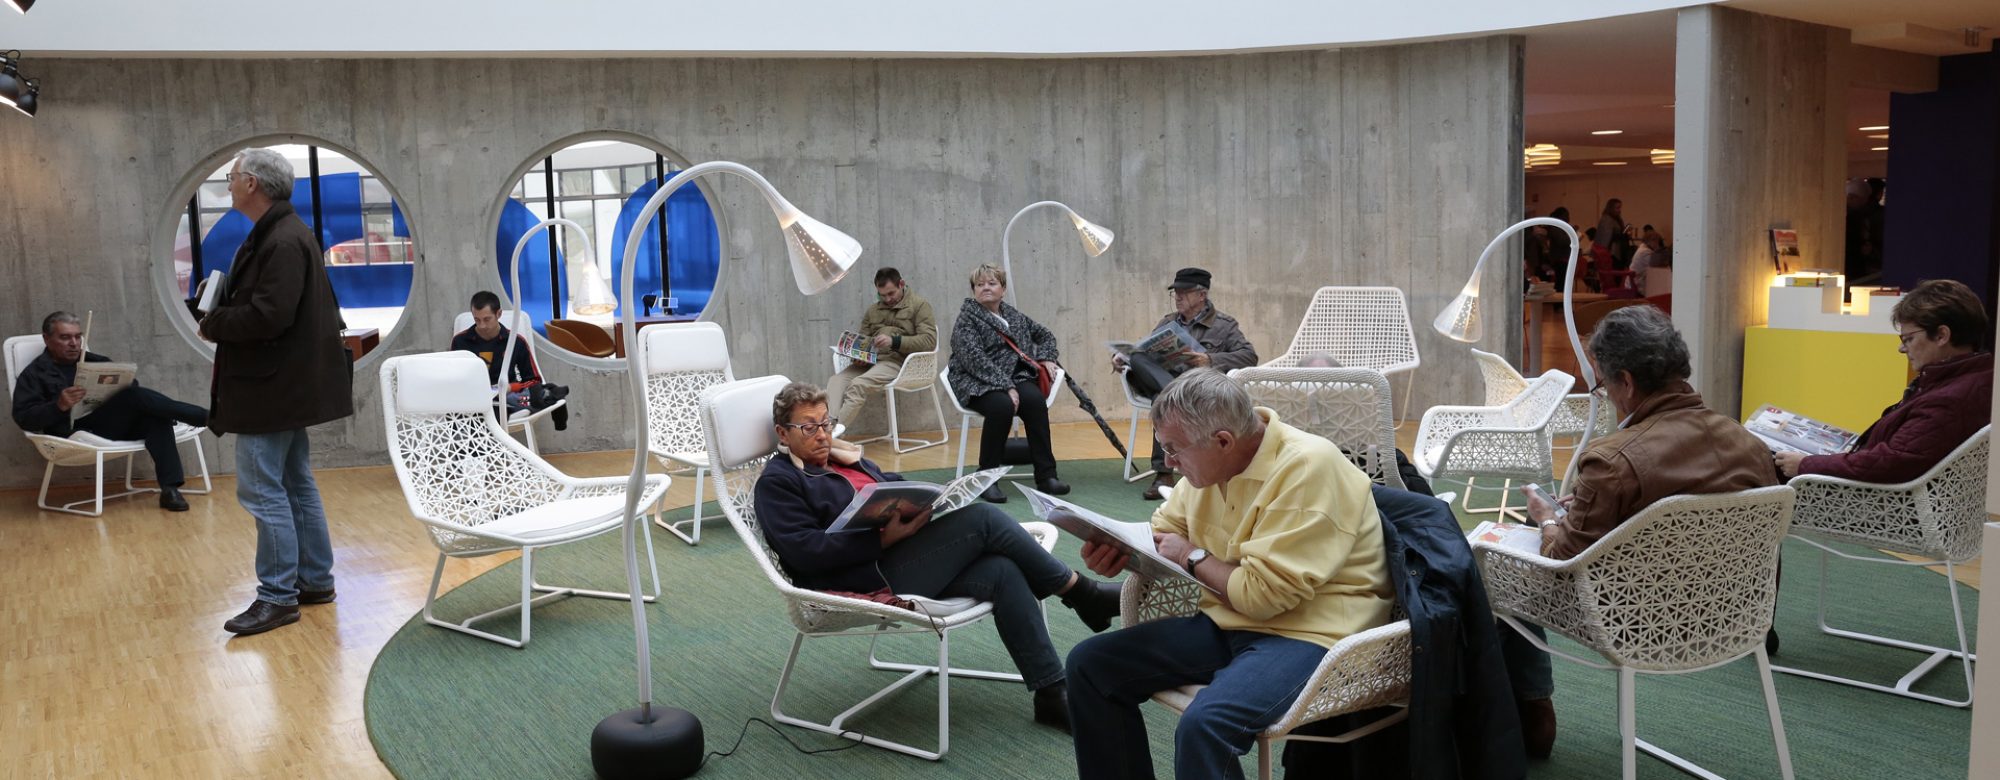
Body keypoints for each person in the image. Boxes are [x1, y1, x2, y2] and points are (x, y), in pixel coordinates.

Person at [1064, 369, 1394, 780]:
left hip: (1317, 636)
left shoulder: (1308, 466)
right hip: (1231, 620)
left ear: (1223, 440)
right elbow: (1165, 533)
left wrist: (1193, 555)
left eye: (1174, 449)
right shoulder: (1207, 465)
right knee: (1090, 665)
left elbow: (1262, 596)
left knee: (1207, 726)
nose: (1168, 463)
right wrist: (1124, 553)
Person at [753, 382, 1122, 732]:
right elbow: (805, 554)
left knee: (1001, 570)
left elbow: (886, 485)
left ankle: (1051, 694)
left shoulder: (843, 457)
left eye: (825, 423)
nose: (822, 434)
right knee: (984, 520)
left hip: (904, 554)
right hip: (869, 575)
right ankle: (1081, 593)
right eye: (808, 427)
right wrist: (881, 541)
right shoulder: (779, 483)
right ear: (783, 433)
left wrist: (926, 497)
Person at [1504, 305, 1778, 758]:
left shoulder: (1611, 459)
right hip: (1739, 616)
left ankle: (1533, 719)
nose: (1606, 395)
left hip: (1637, 623)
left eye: (1603, 384)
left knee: (1494, 571)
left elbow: (1560, 559)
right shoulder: (1751, 445)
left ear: (1626, 382)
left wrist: (1546, 519)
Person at [199, 147, 354, 637]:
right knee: (295, 486)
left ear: (254, 185)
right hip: (283, 386)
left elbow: (269, 315)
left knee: (264, 492)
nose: (228, 182)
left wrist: (214, 321)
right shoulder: (282, 233)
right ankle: (313, 581)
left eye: (233, 176)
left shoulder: (282, 240)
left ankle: (277, 597)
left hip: (270, 390)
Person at [1776, 279, 1993, 483]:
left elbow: (1894, 461)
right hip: (1892, 501)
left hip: (1877, 509)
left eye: (1909, 339)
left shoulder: (1948, 399)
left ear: (1941, 336)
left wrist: (1806, 464)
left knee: (1761, 462)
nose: (1901, 348)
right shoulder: (1977, 380)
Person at [10, 311, 210, 511]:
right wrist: (58, 406)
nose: (74, 343)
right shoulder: (34, 374)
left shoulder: (97, 362)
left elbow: (134, 393)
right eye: (65, 337)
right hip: (74, 433)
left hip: (108, 425)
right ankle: (205, 416)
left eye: (77, 336)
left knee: (151, 414)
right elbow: (24, 418)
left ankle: (170, 490)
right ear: (47, 339)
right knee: (142, 402)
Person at [1115, 267, 1260, 500]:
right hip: (1167, 383)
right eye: (1176, 293)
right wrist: (1123, 358)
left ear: (1201, 295)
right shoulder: (1168, 322)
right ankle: (1169, 397)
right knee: (1139, 357)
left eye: (1184, 292)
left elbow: (1249, 356)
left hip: (1200, 389)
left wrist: (1210, 360)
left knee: (1161, 401)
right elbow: (1146, 350)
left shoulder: (1224, 325)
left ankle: (1163, 474)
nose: (1178, 297)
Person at [945, 263, 1068, 502]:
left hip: (1013, 376)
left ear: (1003, 289)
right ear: (973, 290)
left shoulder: (1012, 315)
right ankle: (986, 479)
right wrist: (1006, 386)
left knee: (1034, 402)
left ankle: (1046, 476)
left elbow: (1045, 335)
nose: (985, 288)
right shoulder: (967, 319)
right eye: (980, 285)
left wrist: (1046, 357)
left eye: (991, 283)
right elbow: (974, 360)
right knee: (1001, 407)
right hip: (975, 379)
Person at [824, 267, 936, 425]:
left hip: (897, 363)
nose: (887, 299)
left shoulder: (919, 305)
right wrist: (858, 356)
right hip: (871, 362)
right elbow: (863, 339)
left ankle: (833, 437)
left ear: (901, 284)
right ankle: (828, 424)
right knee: (836, 381)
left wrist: (894, 341)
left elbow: (929, 341)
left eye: (891, 293)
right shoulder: (873, 311)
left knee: (858, 385)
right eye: (882, 295)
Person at [451, 290, 546, 415]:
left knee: (499, 412)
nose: (482, 325)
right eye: (477, 320)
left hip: (505, 400)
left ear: (498, 314)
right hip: (471, 402)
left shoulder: (516, 341)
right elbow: (453, 380)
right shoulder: (460, 341)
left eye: (487, 319)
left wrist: (511, 387)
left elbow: (534, 381)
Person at [1594, 198, 1629, 269]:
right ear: (1611, 208)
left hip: (1617, 251)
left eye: (1620, 208)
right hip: (1611, 253)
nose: (1619, 210)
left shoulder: (1616, 219)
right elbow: (1606, 238)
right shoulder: (1607, 220)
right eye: (1617, 208)